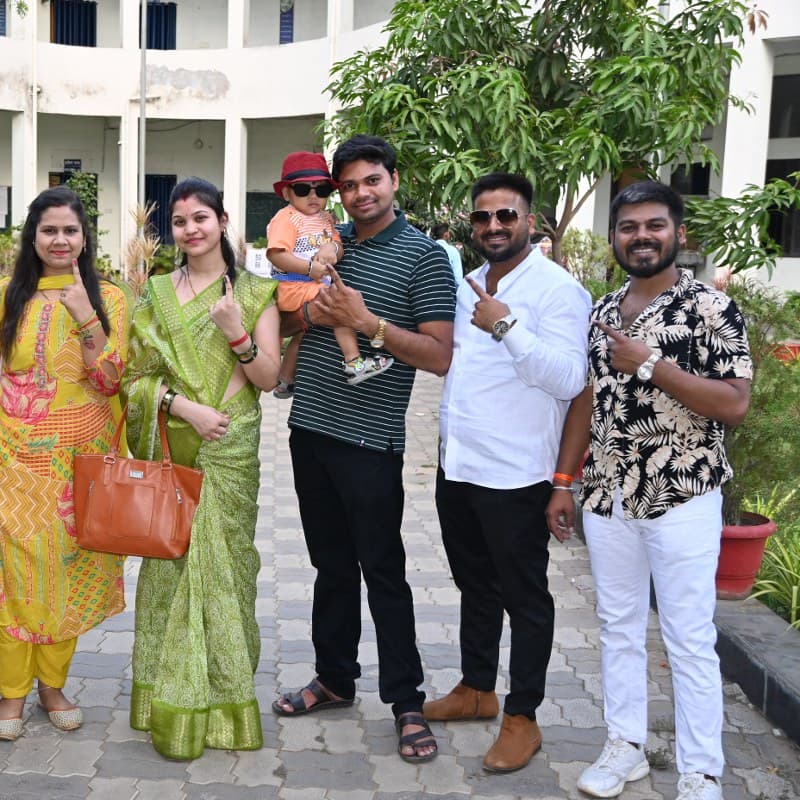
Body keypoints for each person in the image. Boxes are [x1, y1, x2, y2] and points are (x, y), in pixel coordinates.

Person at [546, 181, 752, 800]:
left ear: (678, 234)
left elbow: (735, 405)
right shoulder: (604, 310)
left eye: (654, 225)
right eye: (629, 227)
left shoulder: (710, 309)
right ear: (614, 239)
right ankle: (626, 746)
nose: (642, 236)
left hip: (682, 496)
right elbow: (585, 400)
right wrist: (564, 481)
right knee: (618, 626)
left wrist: (649, 363)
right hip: (607, 498)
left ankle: (700, 770)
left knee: (689, 638)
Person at [271, 135, 456, 764]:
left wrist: (368, 321)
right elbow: (295, 320)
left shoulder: (424, 257)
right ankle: (335, 677)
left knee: (384, 571)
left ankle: (406, 701)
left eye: (370, 180)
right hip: (311, 429)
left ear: (394, 180)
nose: (359, 194)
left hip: (371, 439)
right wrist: (311, 318)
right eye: (347, 185)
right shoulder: (332, 245)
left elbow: (438, 356)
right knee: (329, 566)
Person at [425, 173, 590, 772]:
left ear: (530, 220)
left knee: (526, 599)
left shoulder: (557, 291)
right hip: (460, 464)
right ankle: (476, 690)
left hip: (517, 475)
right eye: (482, 217)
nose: (493, 227)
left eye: (506, 216)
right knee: (475, 584)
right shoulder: (468, 284)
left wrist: (506, 325)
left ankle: (523, 716)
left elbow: (572, 382)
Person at [0, 186, 128, 742]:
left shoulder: (112, 299)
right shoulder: (3, 297)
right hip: (15, 466)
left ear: (84, 239)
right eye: (50, 230)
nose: (60, 240)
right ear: (33, 237)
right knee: (17, 578)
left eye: (70, 231)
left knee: (64, 577)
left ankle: (53, 685)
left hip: (81, 467)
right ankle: (12, 691)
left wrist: (86, 318)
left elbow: (109, 381)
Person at [124, 177, 280, 760]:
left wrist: (235, 331)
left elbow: (268, 378)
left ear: (222, 222)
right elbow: (134, 381)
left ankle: (222, 701)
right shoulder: (157, 294)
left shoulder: (257, 292)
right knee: (170, 574)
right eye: (180, 222)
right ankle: (170, 697)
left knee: (226, 571)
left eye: (201, 218)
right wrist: (181, 406)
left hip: (231, 446)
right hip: (175, 444)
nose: (191, 230)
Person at [267, 151, 392, 399]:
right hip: (294, 284)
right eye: (303, 189)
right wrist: (310, 268)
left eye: (321, 189)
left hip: (311, 283)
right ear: (287, 194)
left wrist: (332, 248)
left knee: (304, 333)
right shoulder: (287, 218)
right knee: (340, 307)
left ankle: (285, 379)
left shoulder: (325, 219)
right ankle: (353, 362)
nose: (313, 196)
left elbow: (338, 245)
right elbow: (276, 254)